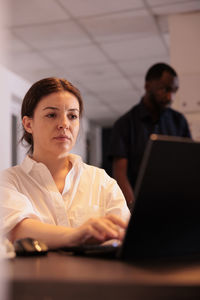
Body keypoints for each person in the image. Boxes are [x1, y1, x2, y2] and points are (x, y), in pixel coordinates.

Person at [0, 77, 130, 249]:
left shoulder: (101, 181)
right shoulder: (9, 181)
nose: (64, 124)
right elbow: (18, 229)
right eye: (52, 115)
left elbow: (123, 234)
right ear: (28, 124)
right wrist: (78, 235)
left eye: (72, 116)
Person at [108, 63, 191, 208]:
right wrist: (133, 210)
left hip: (176, 204)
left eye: (174, 91)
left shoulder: (179, 121)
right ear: (147, 86)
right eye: (164, 89)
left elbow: (188, 165)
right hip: (140, 207)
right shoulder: (124, 124)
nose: (170, 97)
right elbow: (120, 174)